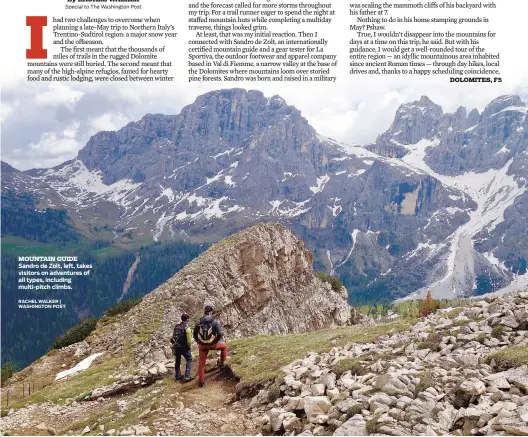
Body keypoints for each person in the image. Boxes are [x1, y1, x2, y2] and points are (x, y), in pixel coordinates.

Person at [193, 305, 228, 387]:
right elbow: (219, 334)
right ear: (211, 312)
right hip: (213, 344)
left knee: (201, 364)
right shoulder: (215, 322)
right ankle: (221, 364)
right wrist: (215, 341)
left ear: (204, 312)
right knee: (224, 347)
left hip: (202, 346)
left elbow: (194, 334)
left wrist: (198, 341)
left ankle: (201, 382)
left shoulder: (199, 322)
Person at [172, 313, 195, 382]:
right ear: (187, 319)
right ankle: (187, 376)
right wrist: (189, 347)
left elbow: (173, 337)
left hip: (177, 346)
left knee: (177, 360)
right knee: (189, 359)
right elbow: (189, 341)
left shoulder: (176, 326)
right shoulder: (187, 328)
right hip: (184, 347)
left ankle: (178, 375)